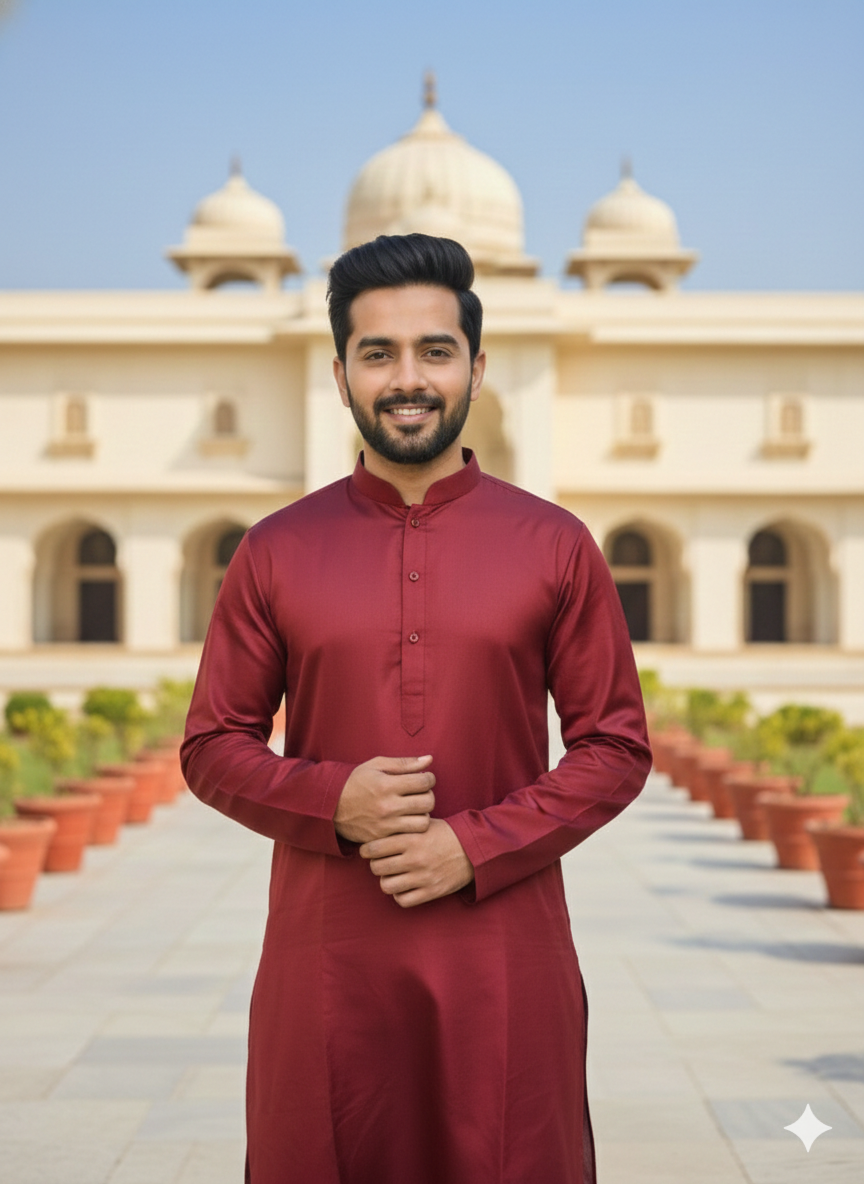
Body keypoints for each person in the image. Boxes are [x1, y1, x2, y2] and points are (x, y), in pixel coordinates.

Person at [181, 233, 651, 1184]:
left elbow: (615, 746)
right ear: (341, 372)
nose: (408, 378)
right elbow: (211, 745)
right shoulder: (276, 549)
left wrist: (472, 846)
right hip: (327, 966)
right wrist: (331, 800)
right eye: (378, 353)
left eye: (435, 351)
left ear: (477, 369)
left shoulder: (554, 545)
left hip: (505, 959)